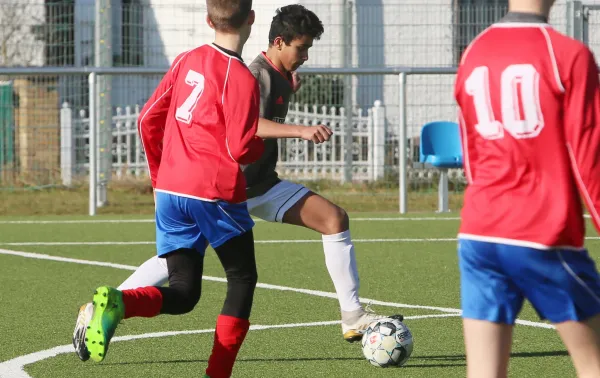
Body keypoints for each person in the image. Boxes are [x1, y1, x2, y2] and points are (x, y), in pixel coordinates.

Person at [73, 4, 401, 363]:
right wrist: (300, 130)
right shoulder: (252, 74)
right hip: (227, 190)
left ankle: (352, 316)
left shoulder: (273, 74)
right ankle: (101, 308)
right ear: (277, 40)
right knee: (190, 270)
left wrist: (288, 85)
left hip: (259, 185)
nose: (305, 56)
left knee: (333, 219)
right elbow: (246, 129)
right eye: (300, 48)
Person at [78, 1, 264, 377]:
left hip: (171, 191)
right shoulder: (242, 77)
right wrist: (263, 144)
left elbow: (147, 119)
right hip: (214, 193)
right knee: (242, 278)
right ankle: (218, 373)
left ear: (208, 20)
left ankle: (120, 302)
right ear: (251, 19)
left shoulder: (187, 59)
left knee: (184, 292)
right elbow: (241, 148)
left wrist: (161, 177)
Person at [454, 0, 600, 376]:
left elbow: (470, 152)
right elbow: (589, 161)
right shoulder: (568, 54)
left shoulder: (474, 50)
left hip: (479, 231)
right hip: (543, 234)